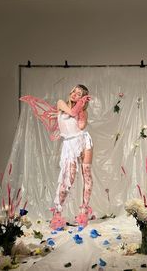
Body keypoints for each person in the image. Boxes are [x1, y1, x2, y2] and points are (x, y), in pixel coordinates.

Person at [50, 84, 93, 229]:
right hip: (69, 144)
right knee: (69, 178)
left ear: (83, 99)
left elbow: (81, 127)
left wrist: (81, 109)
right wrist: (80, 104)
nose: (75, 94)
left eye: (79, 94)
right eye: (74, 91)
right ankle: (57, 213)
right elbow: (71, 112)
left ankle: (83, 212)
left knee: (86, 176)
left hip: (83, 141)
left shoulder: (82, 111)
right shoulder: (61, 103)